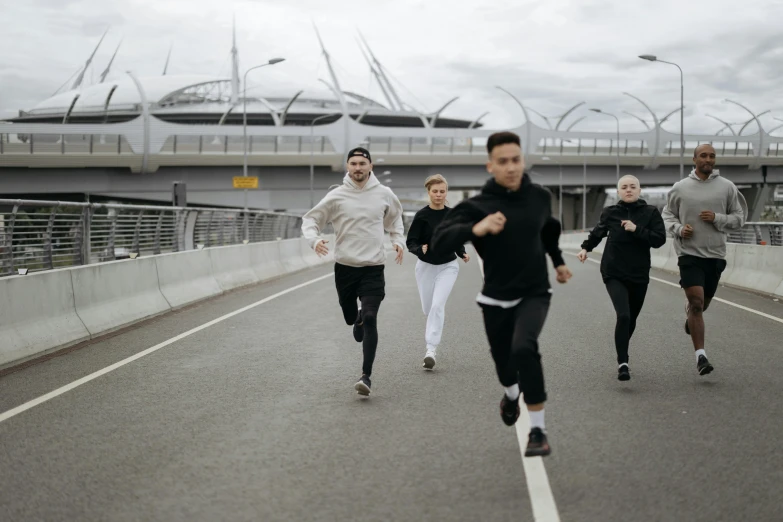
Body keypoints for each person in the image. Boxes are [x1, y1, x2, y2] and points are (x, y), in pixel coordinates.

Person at [431, 131, 572, 457]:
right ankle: (511, 397)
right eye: (503, 162)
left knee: (525, 347)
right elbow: (440, 240)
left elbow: (548, 230)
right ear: (491, 165)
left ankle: (538, 430)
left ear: (523, 160)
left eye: (516, 160)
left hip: (535, 292)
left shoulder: (539, 197)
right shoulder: (477, 206)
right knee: (505, 367)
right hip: (495, 296)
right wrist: (475, 230)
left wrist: (559, 263)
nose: (511, 167)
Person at [301, 146, 405, 396]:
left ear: (371, 166)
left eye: (362, 163)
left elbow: (396, 219)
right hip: (346, 268)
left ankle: (366, 376)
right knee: (352, 318)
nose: (358, 168)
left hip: (373, 267)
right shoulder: (336, 196)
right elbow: (310, 219)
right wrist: (314, 240)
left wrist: (398, 241)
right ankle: (355, 318)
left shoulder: (384, 193)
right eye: (353, 163)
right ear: (348, 167)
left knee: (371, 318)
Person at [661, 144, 746, 375]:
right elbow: (667, 214)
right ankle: (701, 357)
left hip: (715, 255)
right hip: (689, 254)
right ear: (694, 159)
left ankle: (691, 316)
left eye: (712, 156)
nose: (708, 159)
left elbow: (739, 218)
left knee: (702, 305)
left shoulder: (727, 187)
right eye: (704, 155)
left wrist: (717, 218)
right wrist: (678, 229)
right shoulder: (681, 188)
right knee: (697, 302)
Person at [577, 175, 667, 381]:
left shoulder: (651, 212)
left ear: (639, 190)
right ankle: (623, 362)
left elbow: (659, 239)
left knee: (631, 319)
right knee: (624, 315)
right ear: (618, 192)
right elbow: (598, 232)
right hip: (613, 271)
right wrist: (585, 248)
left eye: (632, 186)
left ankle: (621, 346)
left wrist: (637, 230)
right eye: (624, 187)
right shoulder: (611, 212)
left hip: (639, 273)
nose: (628, 190)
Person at [406, 174, 470, 370]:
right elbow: (411, 241)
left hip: (448, 266)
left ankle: (431, 349)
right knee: (428, 308)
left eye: (442, 191)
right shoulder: (422, 216)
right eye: (435, 191)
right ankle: (431, 335)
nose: (439, 195)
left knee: (437, 306)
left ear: (446, 193)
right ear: (429, 192)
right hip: (425, 267)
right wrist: (419, 249)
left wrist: (462, 252)